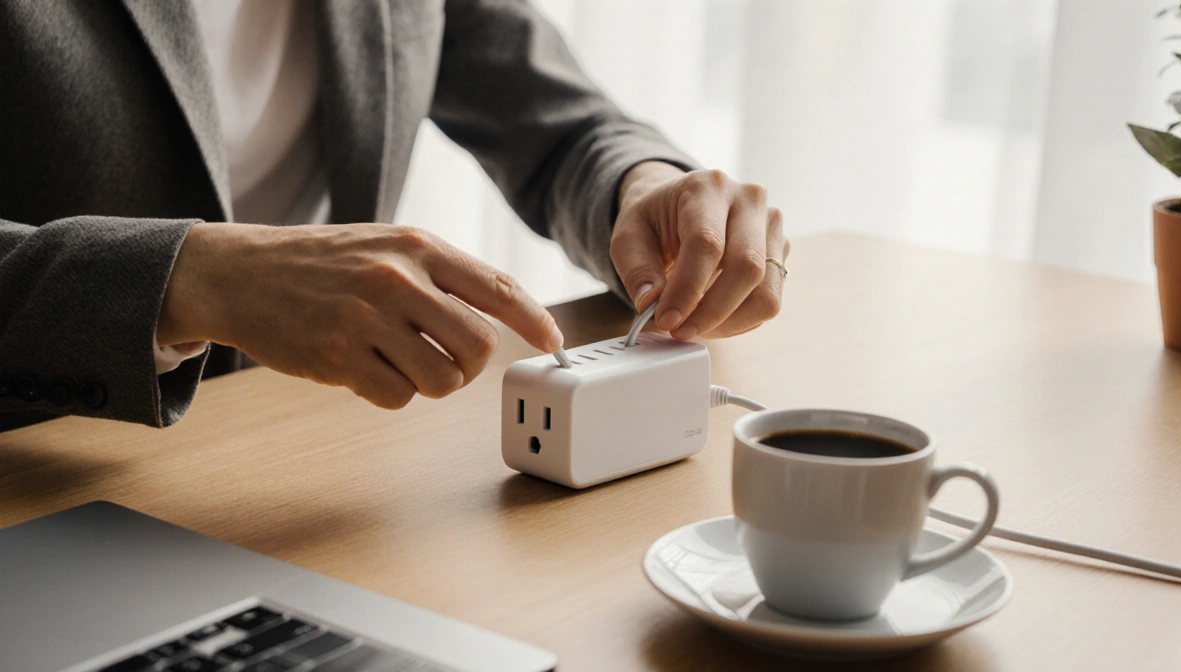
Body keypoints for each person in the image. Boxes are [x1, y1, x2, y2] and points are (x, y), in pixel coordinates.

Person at [0, 0, 788, 431]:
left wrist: (641, 184)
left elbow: (563, 125)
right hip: (42, 480)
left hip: (295, 474)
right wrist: (187, 280)